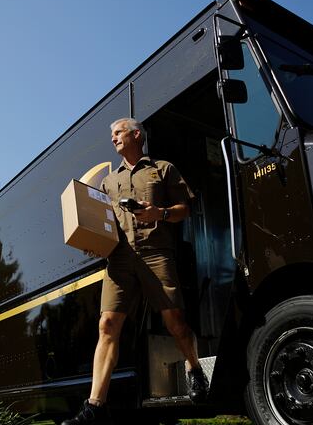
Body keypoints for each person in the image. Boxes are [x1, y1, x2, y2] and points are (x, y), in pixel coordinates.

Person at [63, 118, 208, 425]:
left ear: (136, 134)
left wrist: (160, 213)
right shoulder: (108, 183)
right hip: (119, 259)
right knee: (107, 326)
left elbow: (184, 209)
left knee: (176, 322)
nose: (113, 138)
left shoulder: (163, 169)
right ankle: (95, 406)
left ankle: (194, 369)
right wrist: (94, 242)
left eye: (117, 132)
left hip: (157, 254)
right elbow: (103, 223)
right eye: (112, 134)